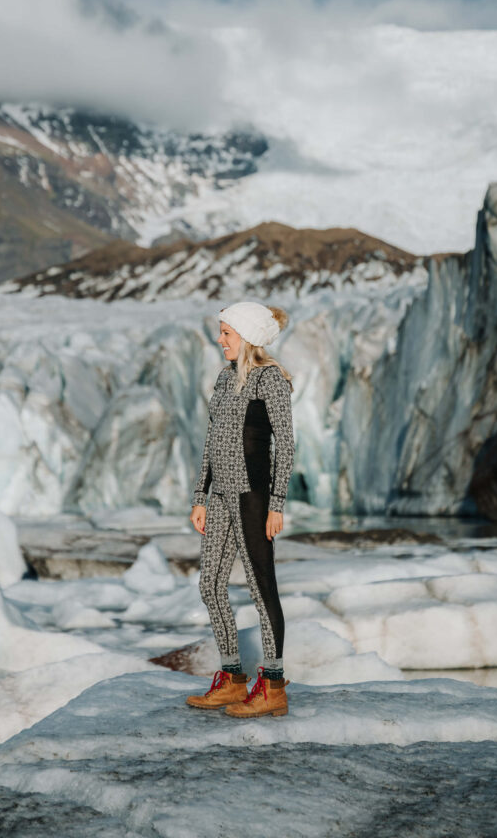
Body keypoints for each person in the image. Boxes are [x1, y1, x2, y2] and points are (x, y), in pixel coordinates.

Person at [186, 300, 295, 718]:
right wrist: (201, 496)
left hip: (253, 497)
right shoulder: (223, 378)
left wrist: (277, 504)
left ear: (246, 337)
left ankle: (272, 685)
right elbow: (211, 442)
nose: (220, 340)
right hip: (219, 499)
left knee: (260, 586)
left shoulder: (270, 380)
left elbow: (284, 444)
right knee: (210, 585)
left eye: (226, 333)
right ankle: (232, 679)